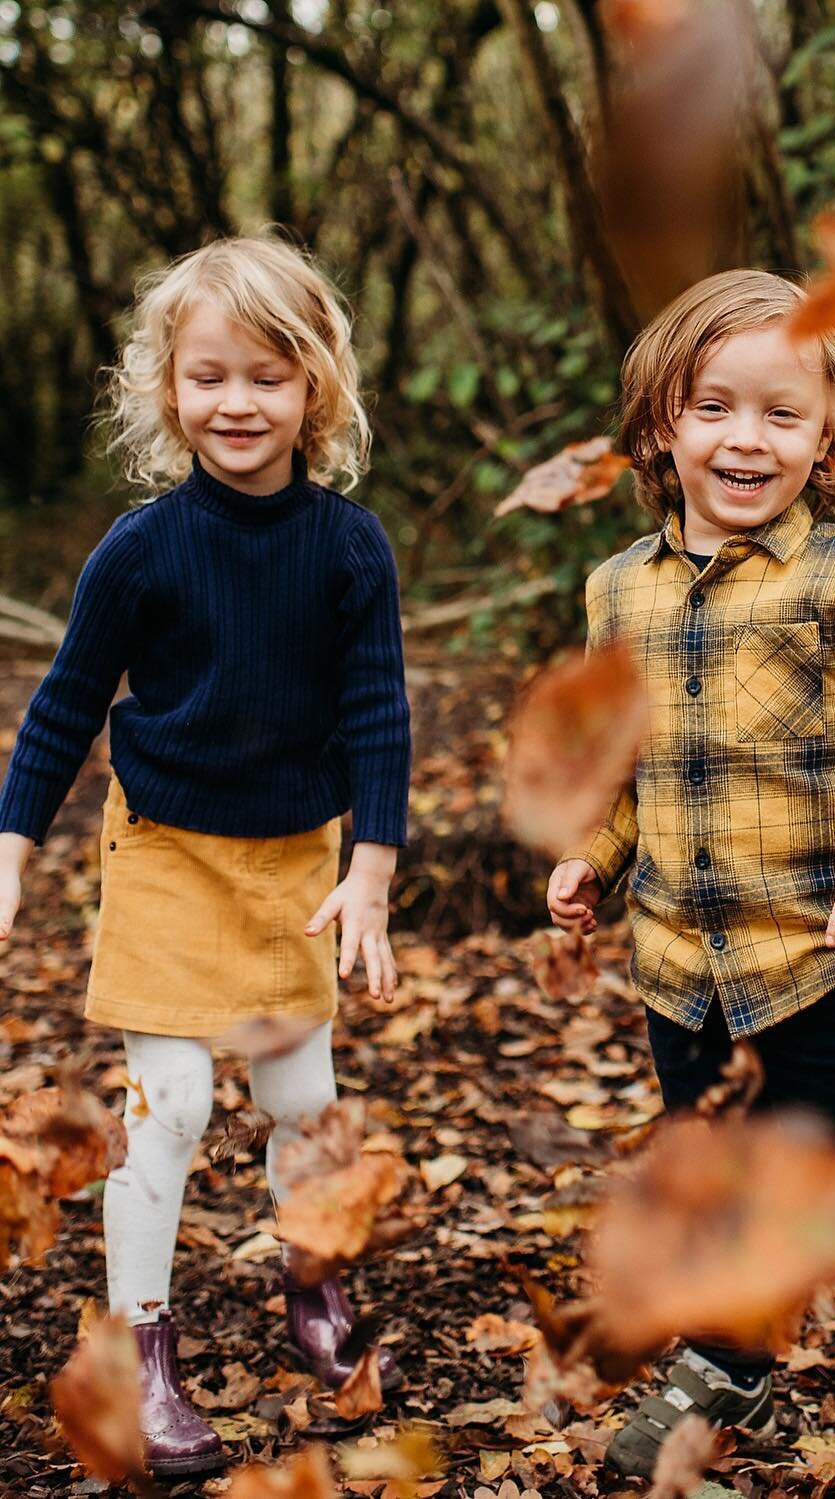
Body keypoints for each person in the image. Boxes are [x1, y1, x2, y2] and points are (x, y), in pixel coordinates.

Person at [546, 269, 835, 1498]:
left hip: (823, 957)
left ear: (826, 436)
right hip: (683, 970)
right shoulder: (616, 593)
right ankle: (730, 1355)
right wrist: (592, 856)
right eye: (714, 408)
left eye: (783, 414)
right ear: (659, 429)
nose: (748, 439)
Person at [0, 236, 411, 1477]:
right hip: (168, 852)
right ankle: (142, 1345)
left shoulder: (349, 545)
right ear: (168, 388)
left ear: (316, 391)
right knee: (170, 1106)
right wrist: (13, 843)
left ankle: (313, 1284)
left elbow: (379, 712)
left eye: (269, 377)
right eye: (210, 376)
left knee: (299, 1105)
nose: (238, 403)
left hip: (295, 860)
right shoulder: (140, 547)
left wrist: (373, 871)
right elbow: (66, 703)